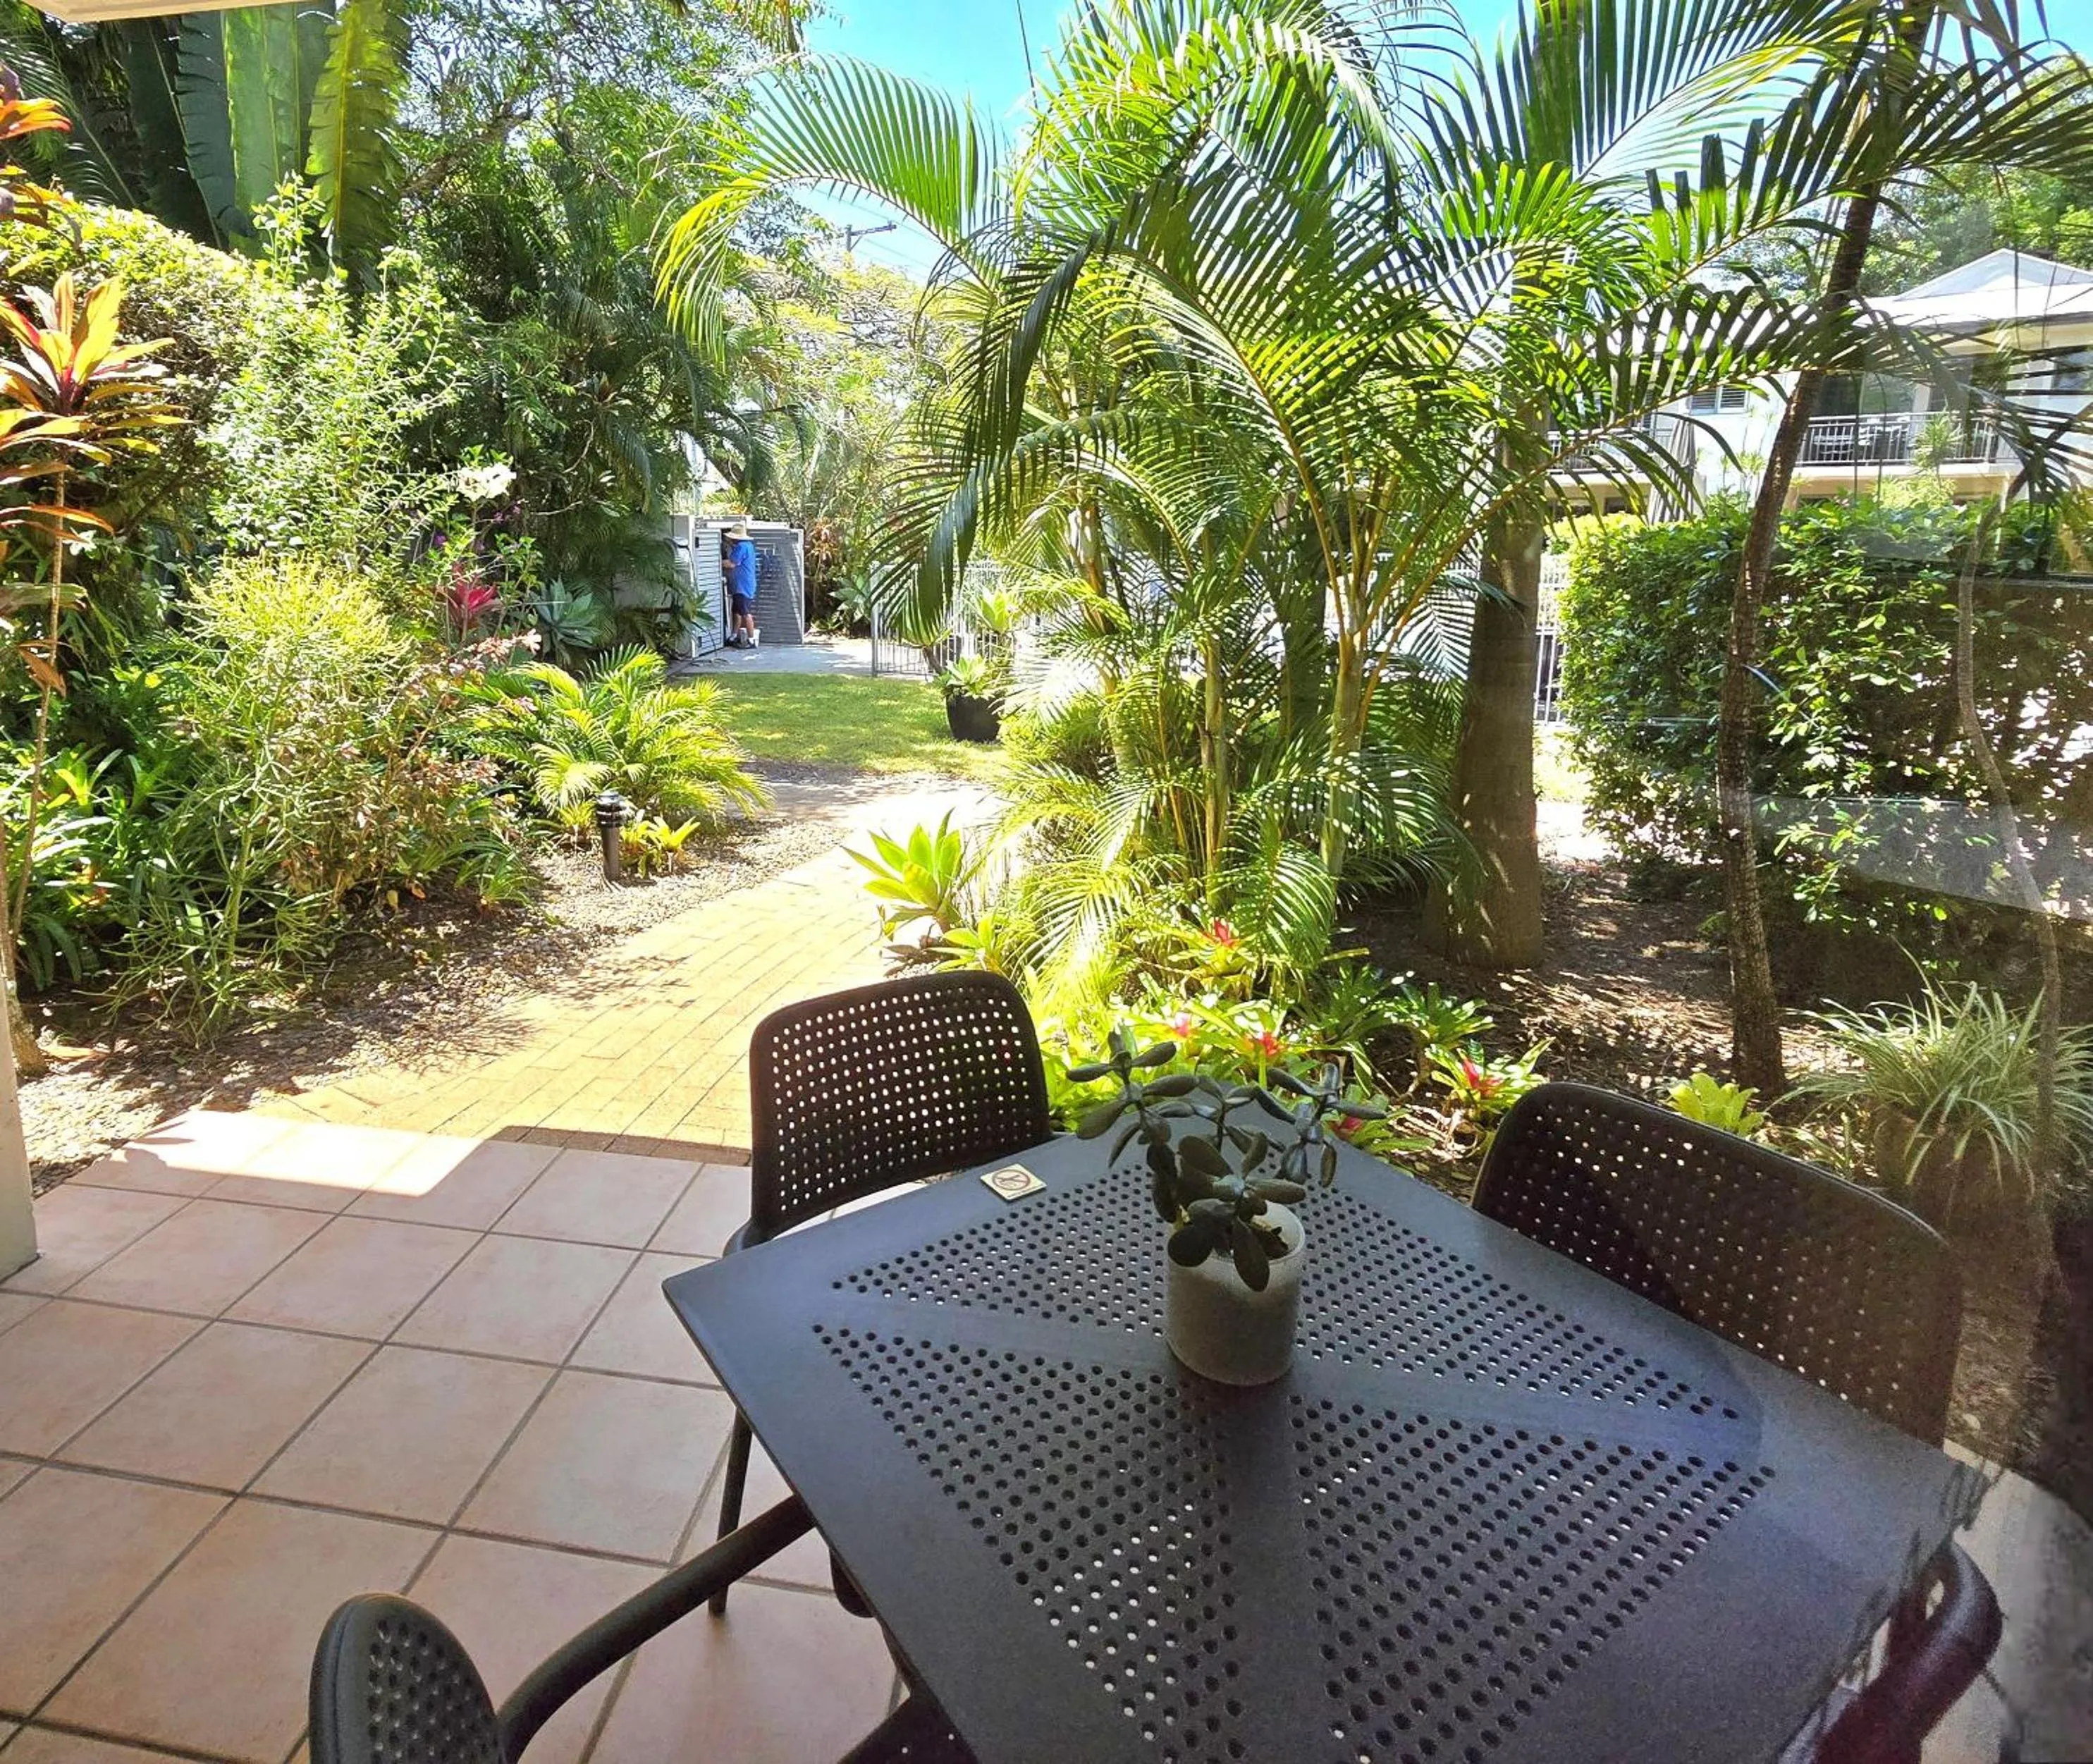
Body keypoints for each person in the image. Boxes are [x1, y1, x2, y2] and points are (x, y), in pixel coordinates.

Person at [722, 521, 760, 649]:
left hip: (743, 586)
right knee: (736, 612)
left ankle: (751, 640)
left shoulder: (742, 547)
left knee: (745, 613)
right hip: (742, 585)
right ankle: (733, 637)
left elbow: (732, 563)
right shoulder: (748, 546)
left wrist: (717, 561)